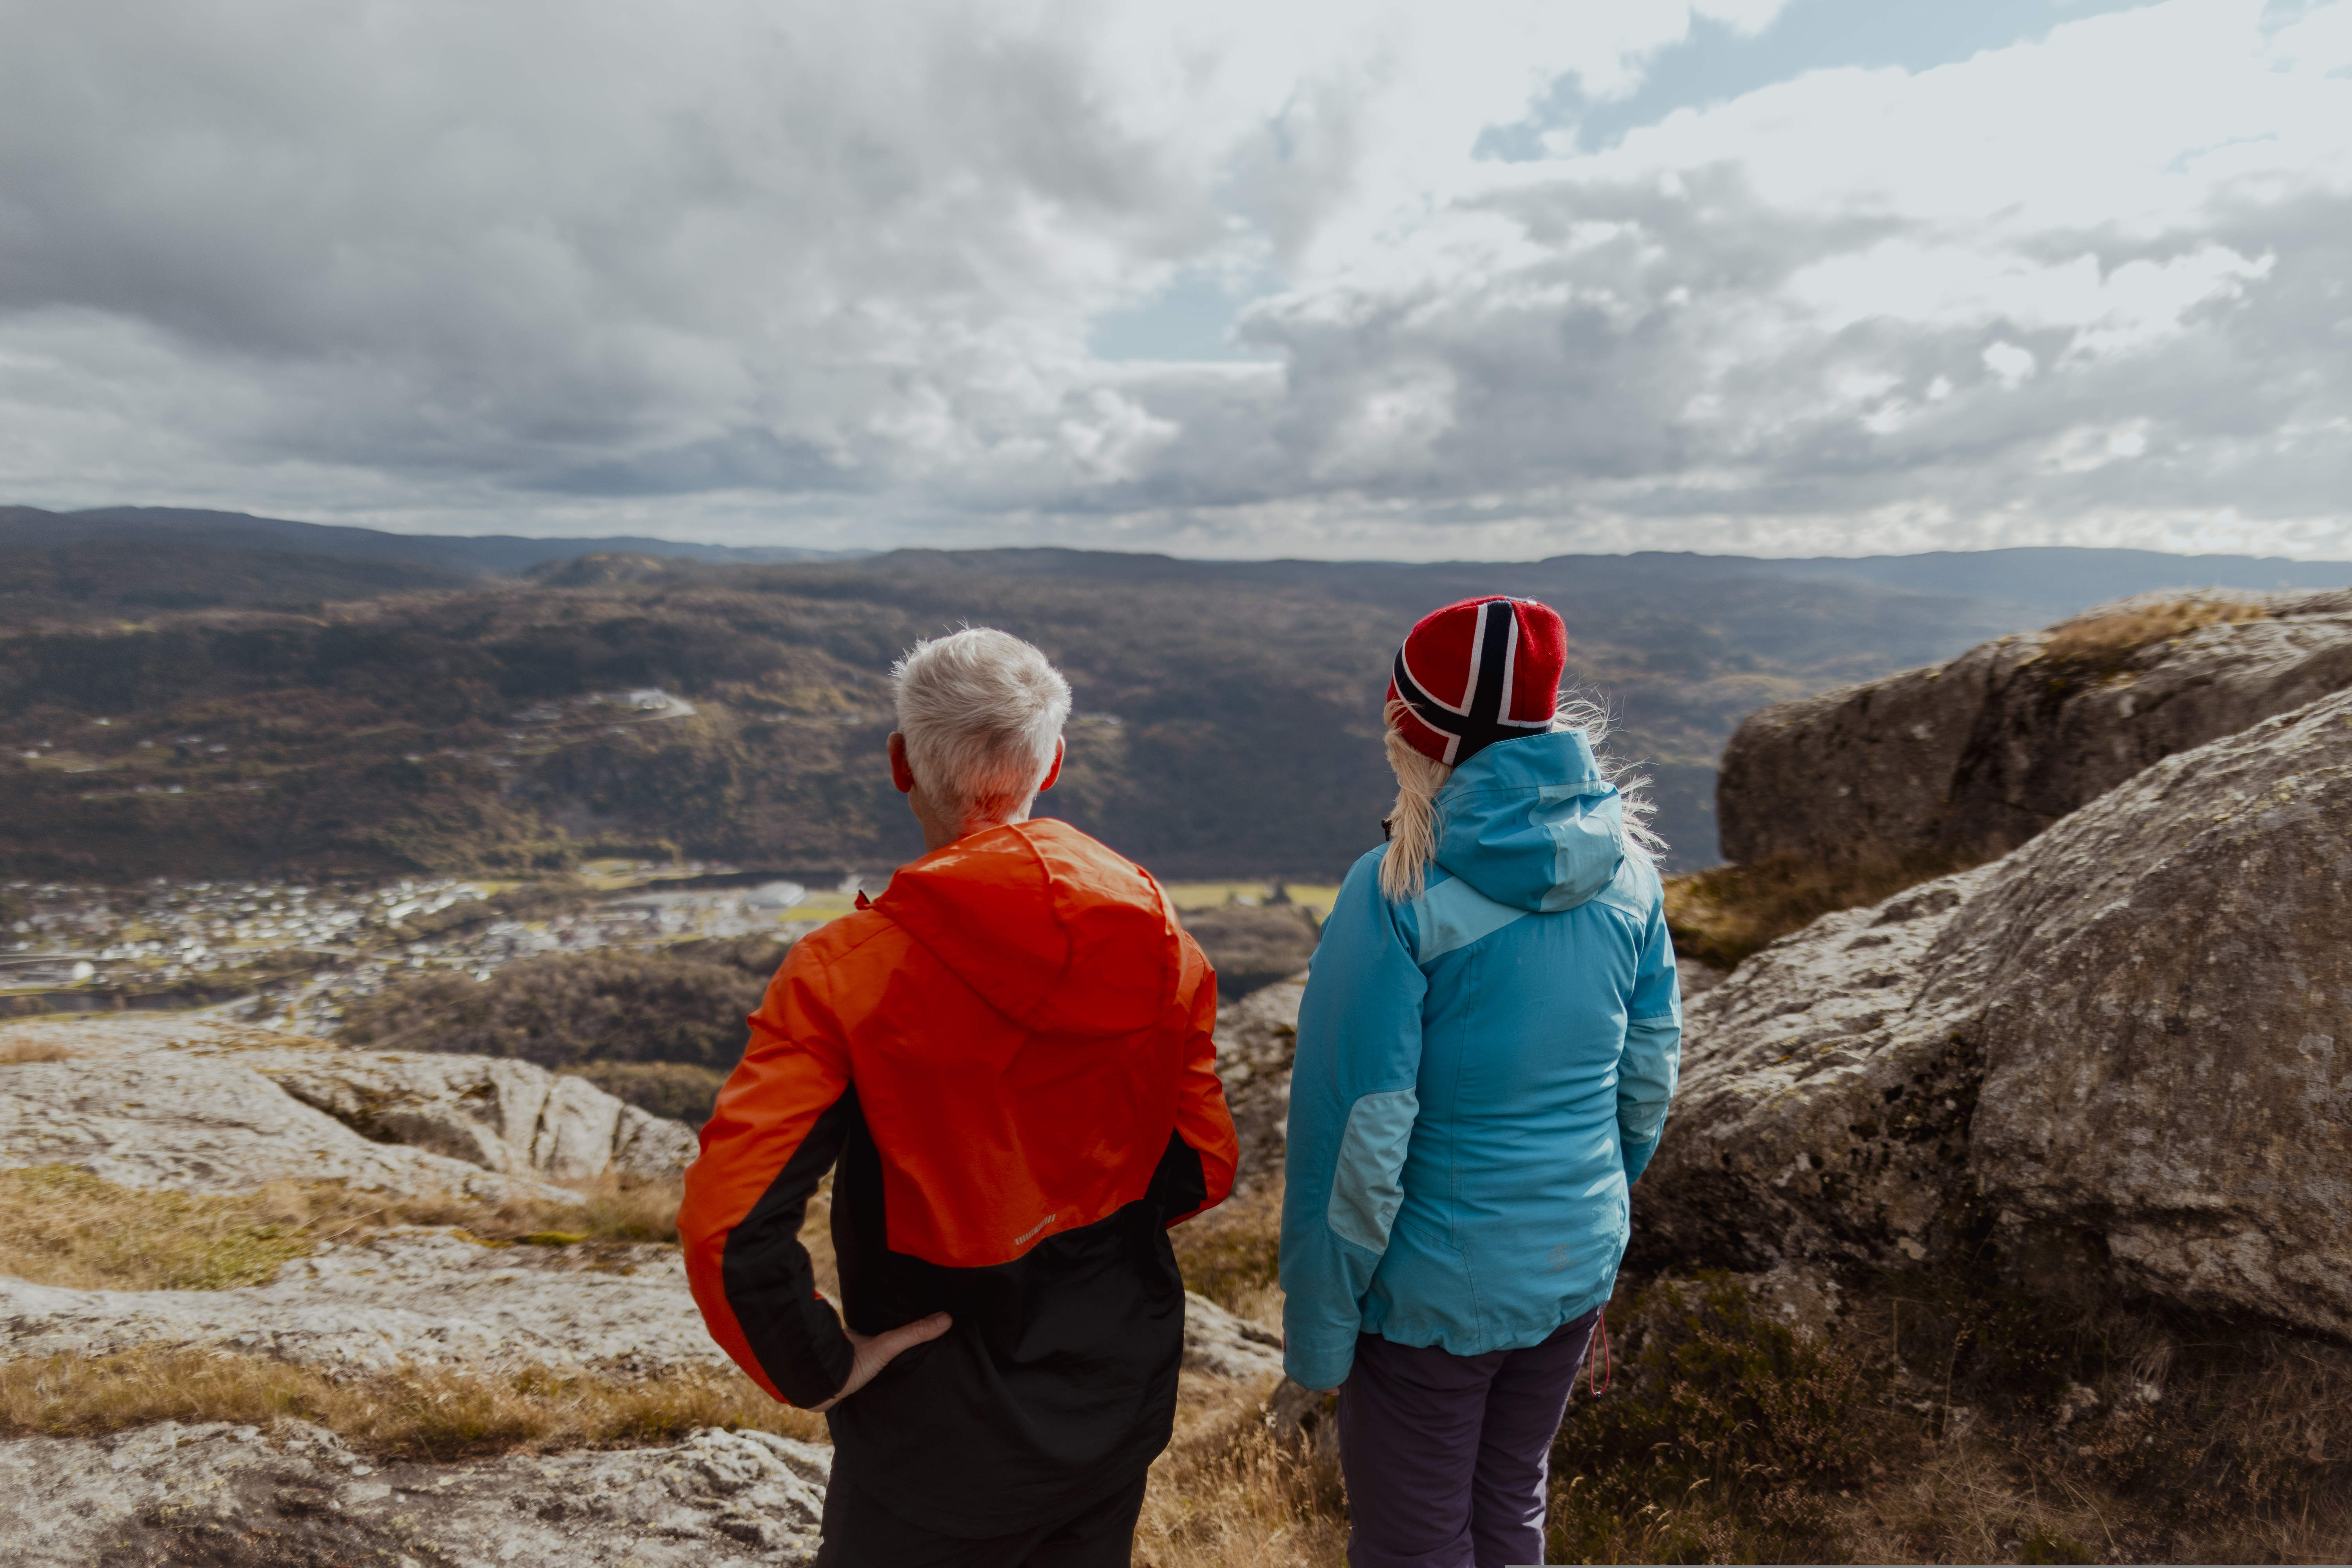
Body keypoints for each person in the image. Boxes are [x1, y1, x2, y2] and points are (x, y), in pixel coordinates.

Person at [681, 627, 1238, 1567]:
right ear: (1050, 763)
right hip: (1114, 1388)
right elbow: (1203, 1162)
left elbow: (729, 1228)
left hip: (934, 1425)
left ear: (900, 762)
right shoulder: (1153, 927)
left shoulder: (844, 973)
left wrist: (819, 1365)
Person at [1279, 596, 1681, 1568]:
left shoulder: (1395, 892)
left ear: (1419, 735)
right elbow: (1647, 1080)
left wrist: (1321, 1335)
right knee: (1510, 1507)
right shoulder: (1629, 871)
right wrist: (1580, 1213)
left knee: (1413, 1544)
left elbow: (1355, 1136)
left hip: (1431, 1300)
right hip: (1572, 1264)